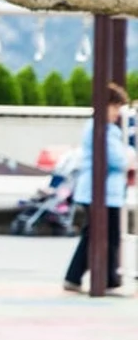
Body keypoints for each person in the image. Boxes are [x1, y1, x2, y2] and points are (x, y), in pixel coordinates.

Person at [63, 83, 130, 293]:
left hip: (94, 192)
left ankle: (75, 277)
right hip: (103, 194)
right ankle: (108, 278)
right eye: (115, 108)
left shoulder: (94, 127)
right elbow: (117, 159)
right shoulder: (105, 130)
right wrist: (130, 158)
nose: (117, 114)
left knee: (93, 235)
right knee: (107, 237)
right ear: (105, 106)